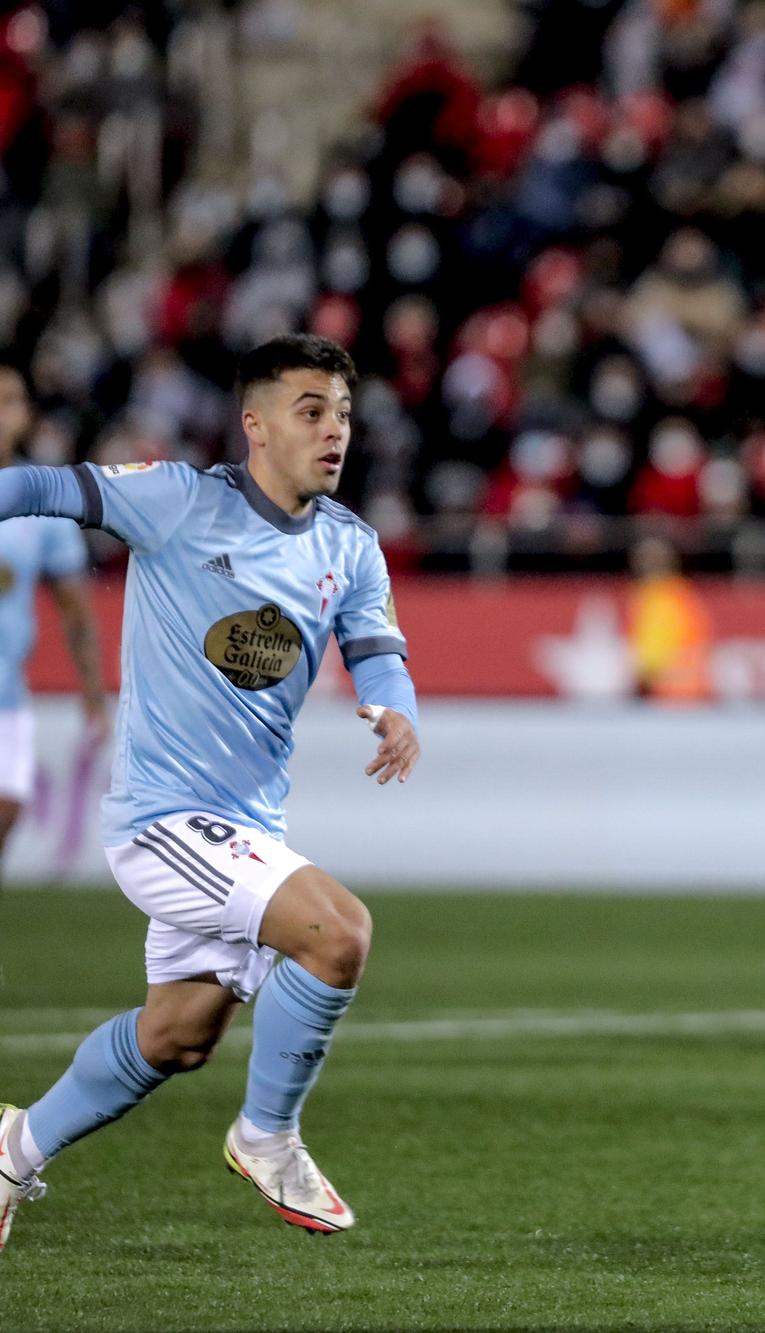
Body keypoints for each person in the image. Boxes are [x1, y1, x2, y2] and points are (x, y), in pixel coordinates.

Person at [0, 334, 420, 1251]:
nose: (334, 431)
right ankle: (267, 1136)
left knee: (178, 1036)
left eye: (343, 414)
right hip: (162, 821)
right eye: (311, 411)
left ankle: (12, 1149)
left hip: (246, 825)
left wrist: (394, 709)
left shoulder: (350, 546)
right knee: (338, 931)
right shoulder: (179, 499)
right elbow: (45, 487)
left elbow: (376, 644)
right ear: (256, 424)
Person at [0, 365, 109, 876]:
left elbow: (75, 610)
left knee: (7, 810)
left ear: (26, 416)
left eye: (11, 400)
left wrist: (92, 693)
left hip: (7, 692)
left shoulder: (42, 503)